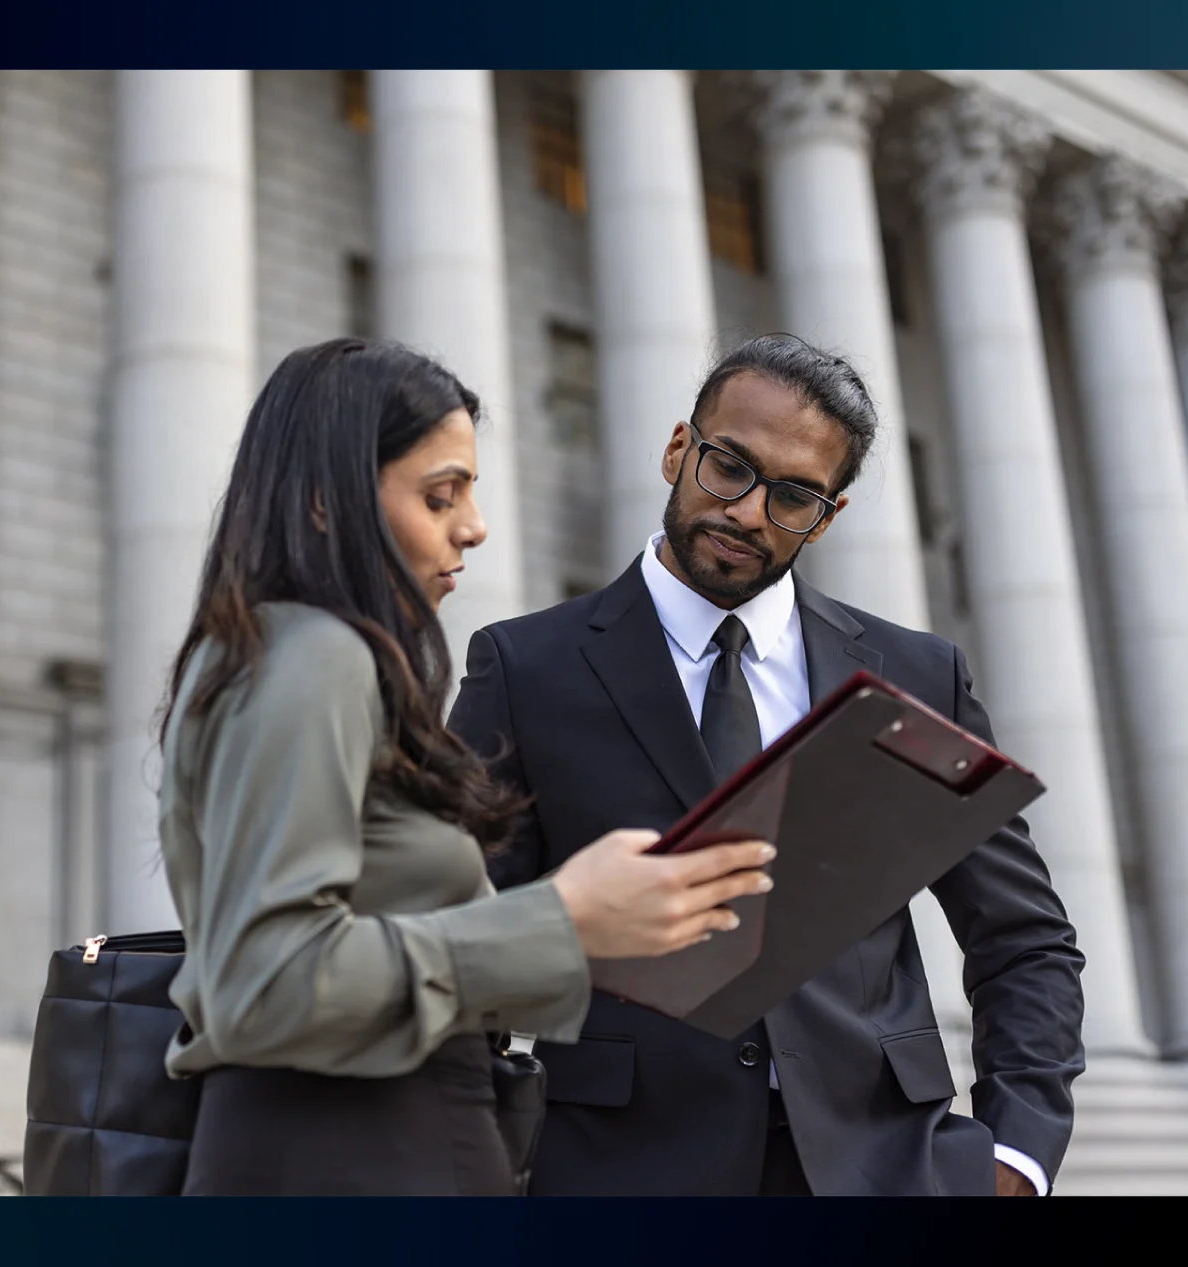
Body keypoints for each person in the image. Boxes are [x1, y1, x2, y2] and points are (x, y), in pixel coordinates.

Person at [448, 333, 1086, 1197]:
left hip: (885, 1168)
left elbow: (1023, 934)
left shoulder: (915, 675)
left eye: (793, 496)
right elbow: (460, 929)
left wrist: (1016, 1153)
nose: (749, 511)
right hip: (618, 1174)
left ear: (829, 515)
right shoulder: (526, 669)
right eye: (729, 467)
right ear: (680, 449)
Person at [153, 337, 776, 1196]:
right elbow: (265, 982)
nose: (474, 527)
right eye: (440, 496)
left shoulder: (286, 653)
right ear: (324, 503)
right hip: (349, 1154)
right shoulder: (312, 656)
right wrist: (563, 915)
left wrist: (603, 928)